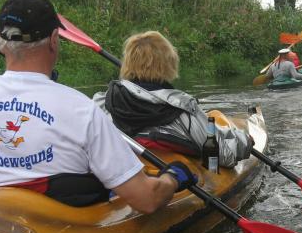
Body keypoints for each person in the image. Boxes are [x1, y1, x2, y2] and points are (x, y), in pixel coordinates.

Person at [0, 0, 195, 210]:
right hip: (59, 224)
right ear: (54, 39)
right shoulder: (81, 109)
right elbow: (147, 200)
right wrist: (173, 177)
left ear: (0, 40)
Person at [94, 31, 253, 168]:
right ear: (169, 64)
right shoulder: (181, 111)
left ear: (127, 63)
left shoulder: (101, 103)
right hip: (172, 179)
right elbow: (222, 154)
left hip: (122, 176)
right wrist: (246, 142)